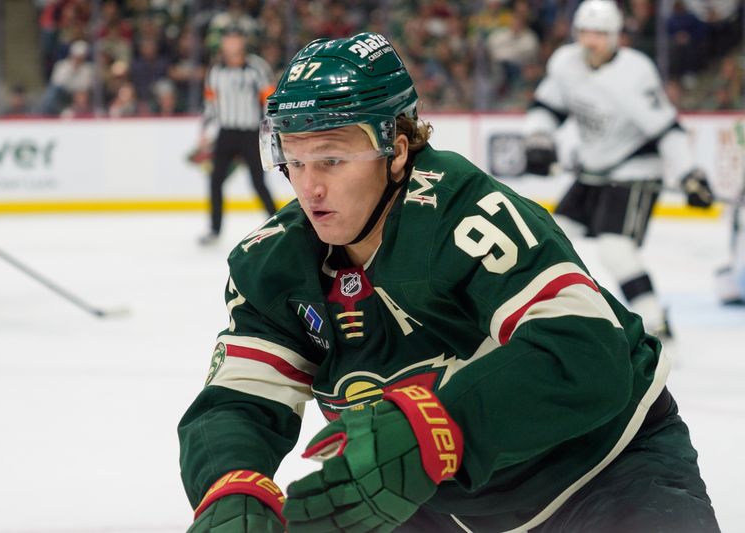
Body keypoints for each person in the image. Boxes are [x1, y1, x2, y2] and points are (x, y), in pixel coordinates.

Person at [177, 31, 719, 532]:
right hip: (438, 500)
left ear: (398, 149)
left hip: (605, 469)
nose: (309, 187)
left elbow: (584, 352)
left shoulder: (467, 213)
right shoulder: (273, 261)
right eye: (292, 160)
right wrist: (230, 482)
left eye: (333, 159)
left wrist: (434, 427)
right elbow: (239, 397)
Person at [522, 0, 715, 340]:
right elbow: (546, 107)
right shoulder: (566, 63)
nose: (590, 41)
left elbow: (667, 129)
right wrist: (539, 140)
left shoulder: (635, 72)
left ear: (615, 37)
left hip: (635, 170)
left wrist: (689, 174)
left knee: (615, 248)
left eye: (599, 34)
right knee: (554, 236)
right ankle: (556, 313)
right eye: (584, 32)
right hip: (594, 171)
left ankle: (656, 321)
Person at [196, 26, 276, 246]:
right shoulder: (215, 71)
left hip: (250, 133)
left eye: (235, 39)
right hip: (226, 133)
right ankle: (214, 229)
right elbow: (210, 104)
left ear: (242, 42)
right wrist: (204, 133)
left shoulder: (256, 68)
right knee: (215, 181)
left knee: (258, 183)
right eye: (228, 39)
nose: (231, 44)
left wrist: (268, 131)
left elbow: (269, 100)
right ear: (222, 43)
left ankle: (278, 223)